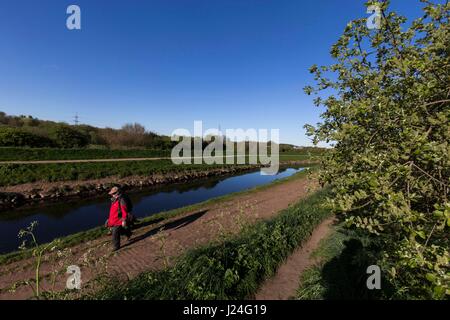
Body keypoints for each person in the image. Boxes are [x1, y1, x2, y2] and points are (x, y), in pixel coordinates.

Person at [106, 186, 132, 251]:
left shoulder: (122, 200)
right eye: (112, 193)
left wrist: (124, 220)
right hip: (113, 218)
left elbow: (124, 211)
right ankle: (128, 233)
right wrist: (109, 219)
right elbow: (113, 210)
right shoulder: (114, 199)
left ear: (118, 193)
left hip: (119, 219)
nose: (112, 195)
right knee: (119, 231)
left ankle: (116, 246)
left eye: (114, 193)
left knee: (115, 232)